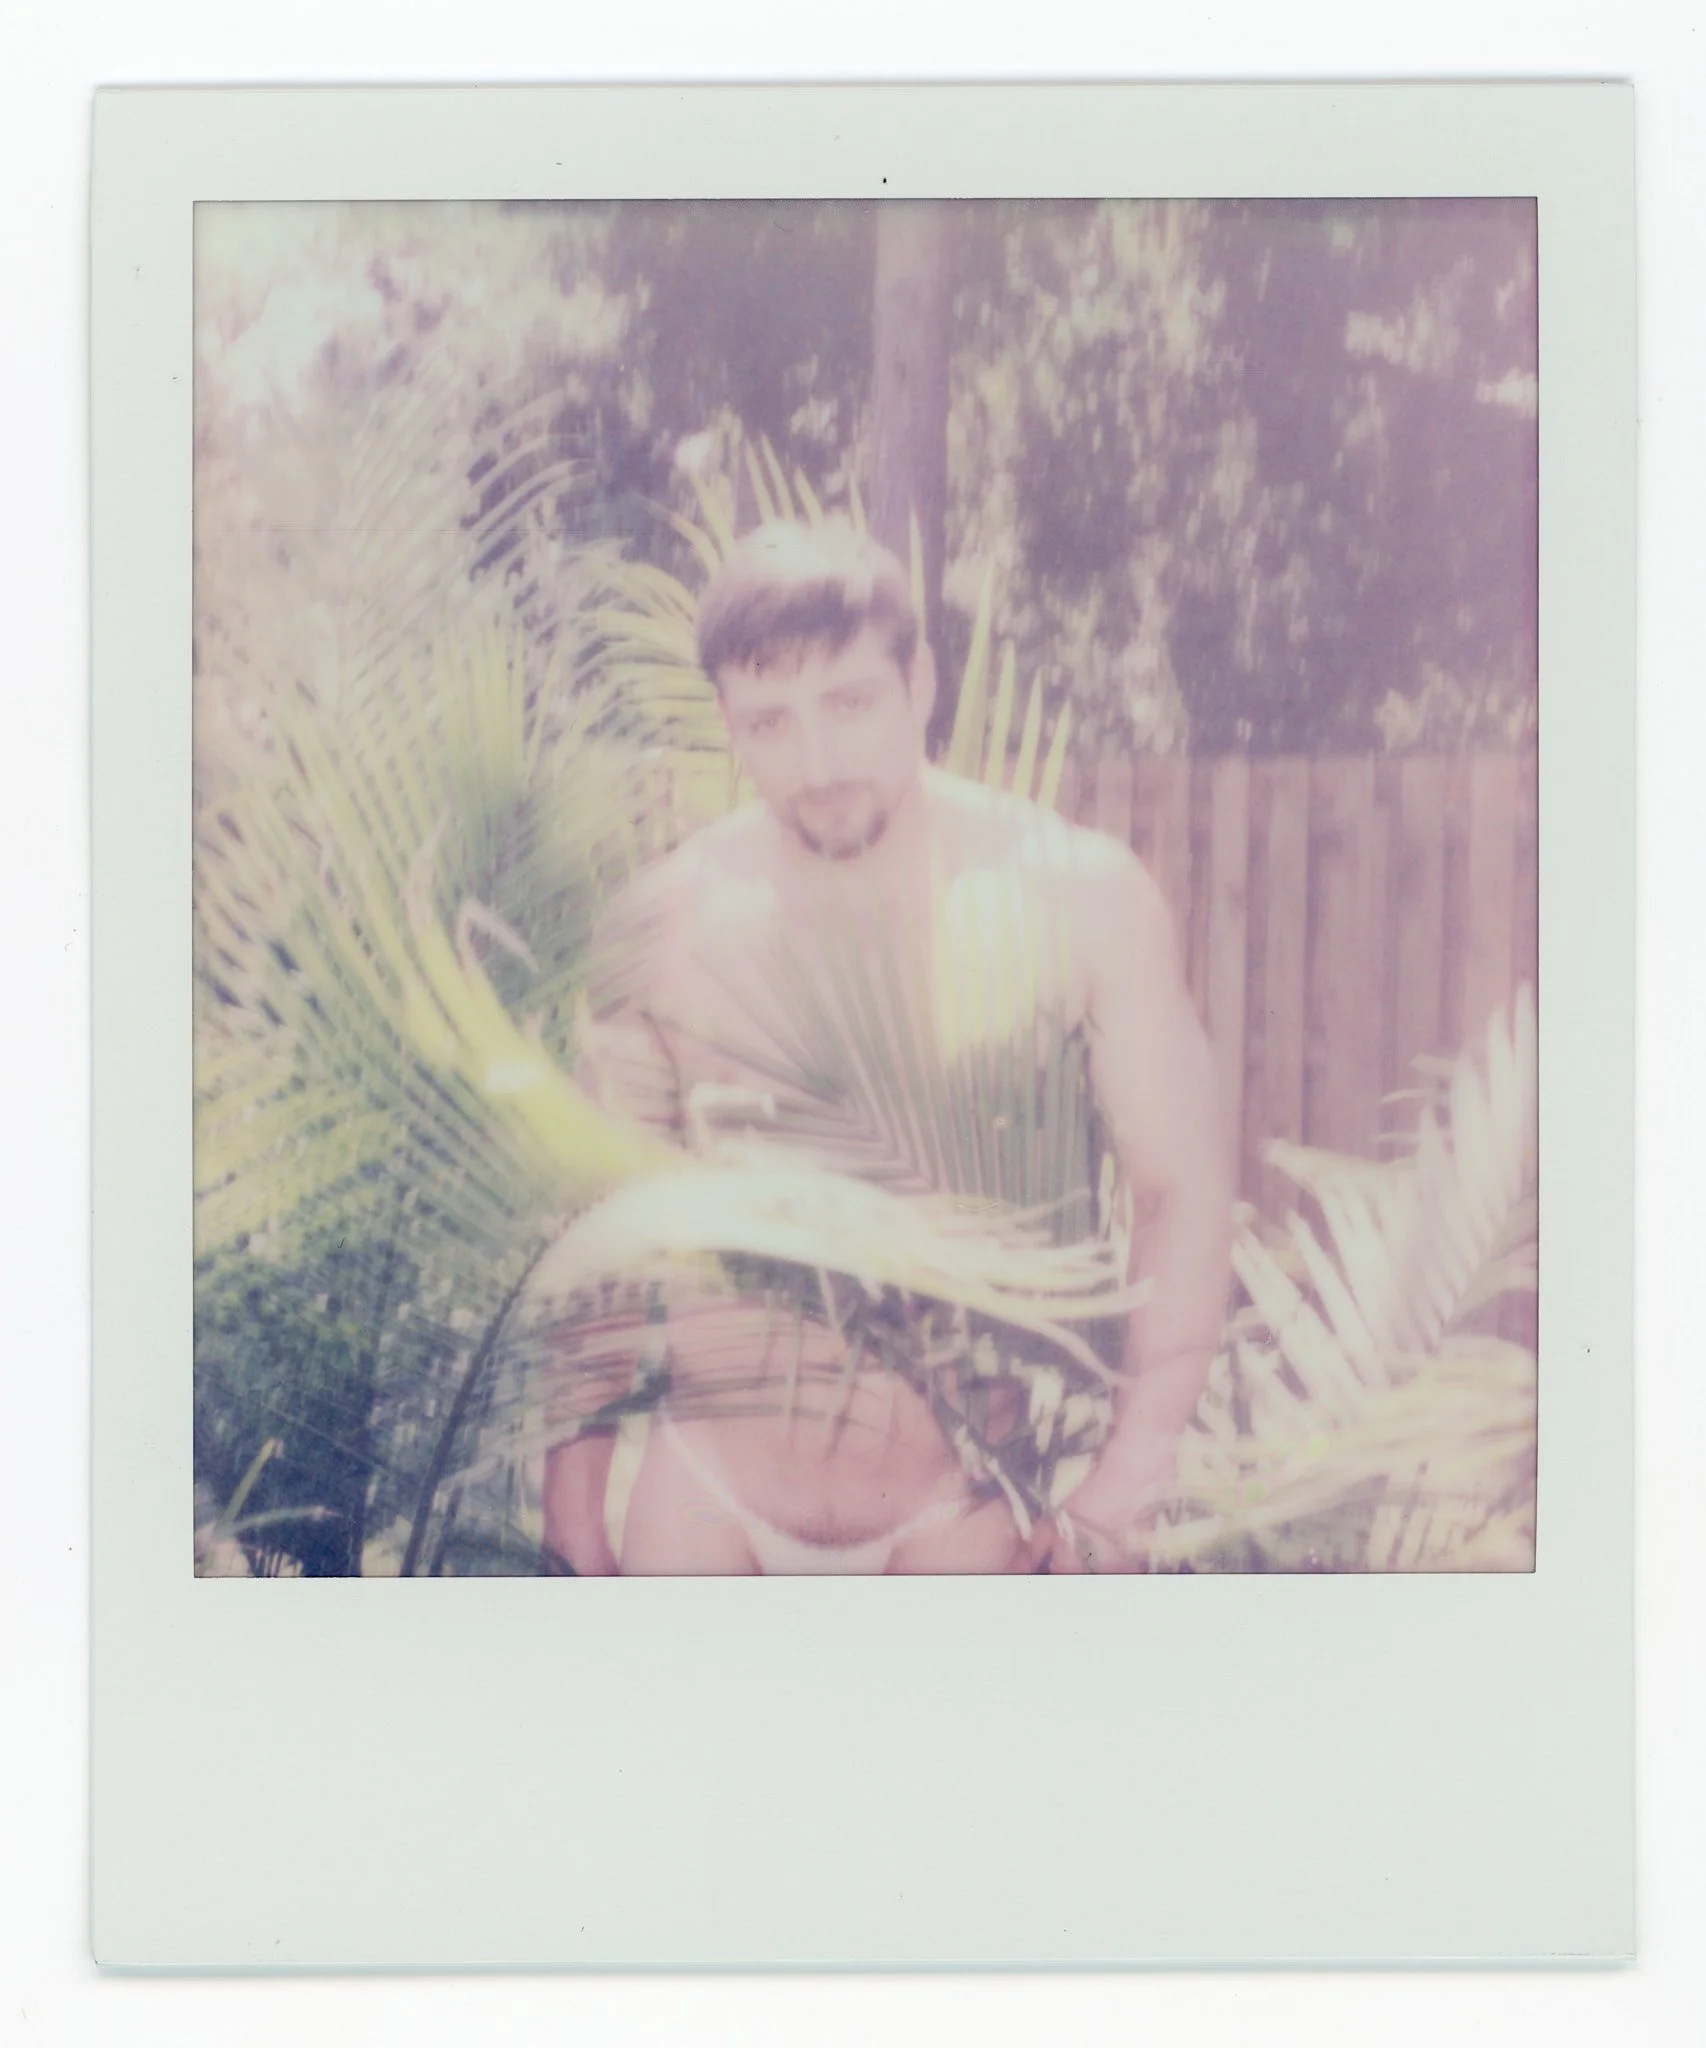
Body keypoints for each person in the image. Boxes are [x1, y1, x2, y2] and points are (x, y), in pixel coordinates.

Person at [541, 519, 1231, 1574]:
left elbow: (1177, 1192)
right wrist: (575, 1480)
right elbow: (602, 1221)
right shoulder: (669, 920)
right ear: (728, 725)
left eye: (849, 704)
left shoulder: (1075, 896)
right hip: (706, 1502)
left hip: (967, 1506)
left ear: (920, 683)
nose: (816, 763)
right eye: (769, 721)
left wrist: (1132, 1471)